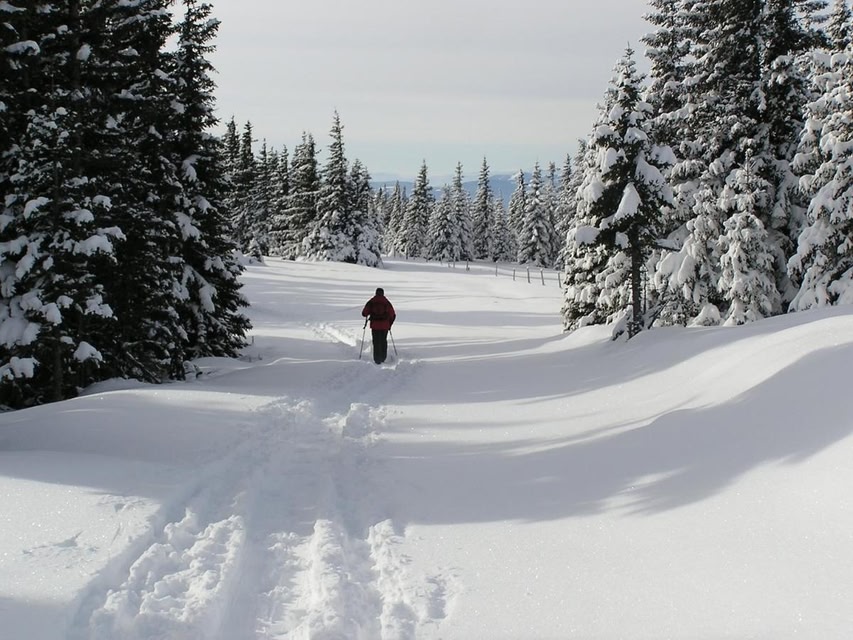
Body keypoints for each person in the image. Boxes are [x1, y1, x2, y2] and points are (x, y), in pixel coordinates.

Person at [361, 287, 396, 364]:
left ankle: (377, 360)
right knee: (383, 341)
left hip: (375, 326)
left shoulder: (371, 301)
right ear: (383, 293)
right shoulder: (386, 302)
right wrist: (389, 325)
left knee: (376, 342)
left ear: (376, 293)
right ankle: (383, 358)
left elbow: (364, 313)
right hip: (385, 326)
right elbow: (393, 314)